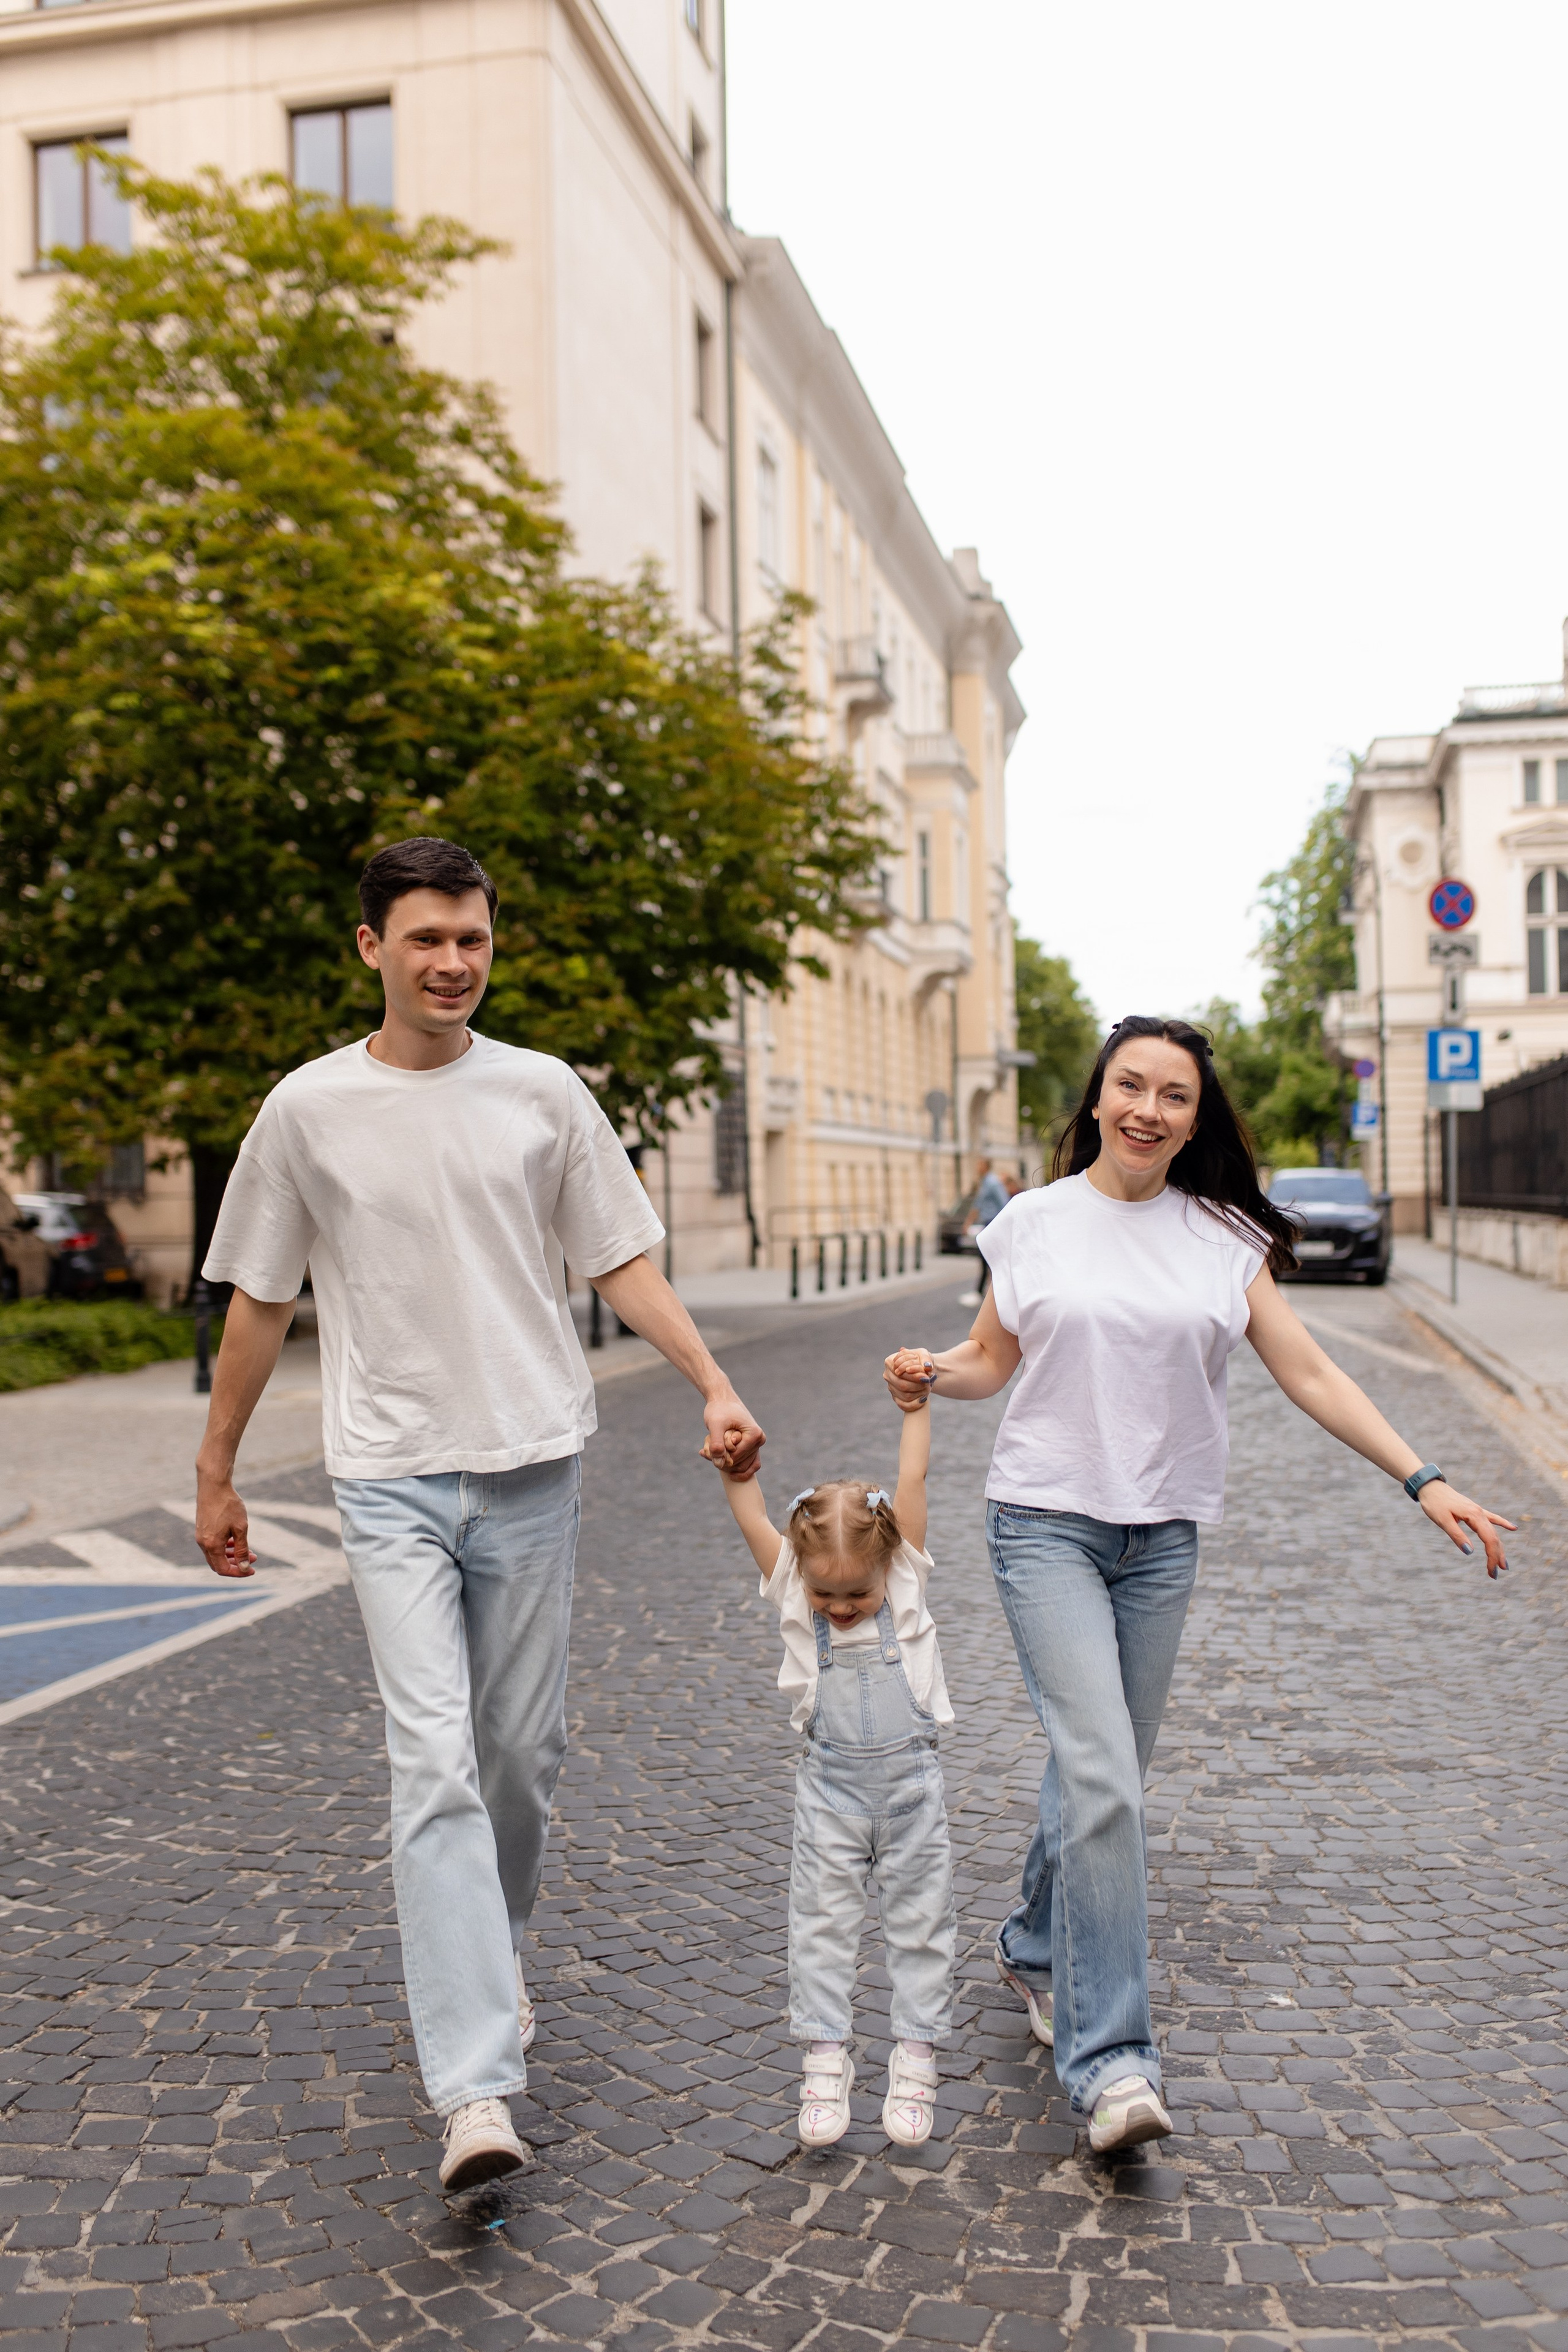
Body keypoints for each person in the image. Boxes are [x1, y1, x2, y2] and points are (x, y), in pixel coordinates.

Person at [194, 837, 765, 2193]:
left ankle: (489, 1964)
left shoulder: (543, 1092)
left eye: (473, 940)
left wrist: (713, 1380)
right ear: (371, 949)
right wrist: (214, 1468)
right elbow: (259, 1302)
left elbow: (618, 1256)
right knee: (433, 1765)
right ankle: (473, 2085)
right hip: (385, 1476)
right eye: (426, 940)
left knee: (519, 1755)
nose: (452, 963)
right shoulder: (307, 1109)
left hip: (530, 1463)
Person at [884, 1014, 1512, 2157]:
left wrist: (1422, 1476)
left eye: (1174, 1096)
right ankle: (1114, 2064)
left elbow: (1309, 1368)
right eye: (1131, 1087)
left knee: (1103, 1771)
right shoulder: (1031, 1221)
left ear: (1194, 1117)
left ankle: (1032, 1945)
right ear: (1097, 1098)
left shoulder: (1222, 1232)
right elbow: (992, 1358)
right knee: (1105, 1774)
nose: (1149, 1110)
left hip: (1161, 1538)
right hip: (1044, 1526)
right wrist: (936, 1370)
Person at [704, 1360, 955, 2151]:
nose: (842, 1610)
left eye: (859, 1595)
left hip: (913, 1788)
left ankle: (914, 2059)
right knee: (820, 1925)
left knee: (920, 1928)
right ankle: (824, 2060)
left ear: (890, 1566)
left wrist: (914, 1406)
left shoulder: (905, 1569)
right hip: (832, 1793)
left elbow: (913, 1472)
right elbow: (750, 1518)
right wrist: (739, 1471)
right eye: (826, 1597)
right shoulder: (792, 1582)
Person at [957, 1156, 1011, 1309]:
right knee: (986, 1259)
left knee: (989, 1259)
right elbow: (978, 1205)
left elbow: (1004, 1203)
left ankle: (987, 1294)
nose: (977, 1167)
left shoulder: (992, 1183)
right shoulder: (986, 1182)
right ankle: (986, 1293)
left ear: (985, 1166)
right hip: (987, 1224)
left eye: (979, 1164)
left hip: (992, 1224)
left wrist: (1001, 1227)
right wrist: (969, 1221)